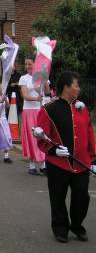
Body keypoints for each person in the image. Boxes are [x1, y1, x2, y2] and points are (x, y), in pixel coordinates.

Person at [36, 71, 96, 243]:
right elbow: (42, 137)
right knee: (58, 197)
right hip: (58, 163)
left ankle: (77, 225)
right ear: (66, 87)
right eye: (76, 85)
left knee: (81, 196)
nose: (79, 89)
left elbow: (89, 134)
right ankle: (60, 228)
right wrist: (53, 151)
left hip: (81, 162)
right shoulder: (49, 110)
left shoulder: (82, 109)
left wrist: (93, 159)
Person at [19, 56, 50, 175]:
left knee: (42, 136)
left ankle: (43, 165)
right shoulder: (24, 78)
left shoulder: (41, 76)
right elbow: (25, 96)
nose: (27, 66)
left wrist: (45, 78)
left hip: (40, 110)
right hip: (29, 111)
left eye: (30, 64)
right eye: (26, 64)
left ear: (35, 64)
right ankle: (32, 165)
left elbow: (47, 92)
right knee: (32, 137)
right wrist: (36, 98)